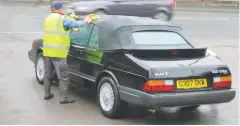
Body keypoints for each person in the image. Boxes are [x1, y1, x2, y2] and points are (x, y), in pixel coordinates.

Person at [42, 1, 92, 104]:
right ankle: (63, 98)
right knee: (64, 77)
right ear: (60, 8)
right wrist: (86, 20)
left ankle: (47, 94)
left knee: (47, 74)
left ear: (52, 9)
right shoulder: (63, 19)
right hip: (58, 54)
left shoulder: (47, 18)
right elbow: (76, 24)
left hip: (47, 52)